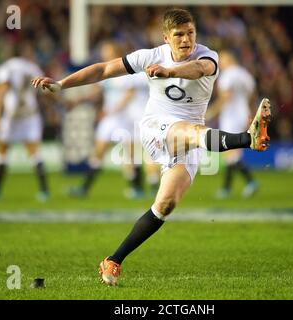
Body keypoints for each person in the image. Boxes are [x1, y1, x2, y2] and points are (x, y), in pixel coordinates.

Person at [32, 8, 271, 285]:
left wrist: (169, 71)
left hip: (191, 139)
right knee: (190, 131)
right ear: (166, 38)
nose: (186, 40)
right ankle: (247, 138)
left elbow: (198, 70)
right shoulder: (150, 55)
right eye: (179, 35)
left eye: (190, 33)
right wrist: (62, 84)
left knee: (165, 205)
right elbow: (104, 69)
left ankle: (113, 260)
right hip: (157, 127)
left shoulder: (208, 56)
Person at [68, 41, 159, 199]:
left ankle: (138, 188)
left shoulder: (126, 72)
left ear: (116, 52)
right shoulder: (108, 70)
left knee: (130, 155)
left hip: (123, 118)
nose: (104, 53)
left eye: (107, 50)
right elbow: (97, 91)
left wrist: (112, 110)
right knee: (99, 152)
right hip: (112, 118)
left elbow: (130, 94)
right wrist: (78, 100)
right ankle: (85, 187)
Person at [0, 44, 50, 201]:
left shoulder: (6, 68)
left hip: (11, 116)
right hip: (30, 115)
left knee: (2, 154)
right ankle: (44, 191)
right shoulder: (31, 67)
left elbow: (2, 91)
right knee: (35, 154)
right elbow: (45, 89)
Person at [207, 50, 259, 199]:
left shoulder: (227, 75)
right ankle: (226, 188)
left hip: (231, 116)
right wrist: (250, 113)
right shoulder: (246, 75)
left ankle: (250, 181)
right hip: (243, 115)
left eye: (221, 61)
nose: (219, 65)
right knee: (231, 153)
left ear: (228, 60)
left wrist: (211, 112)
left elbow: (226, 97)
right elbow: (253, 95)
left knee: (230, 153)